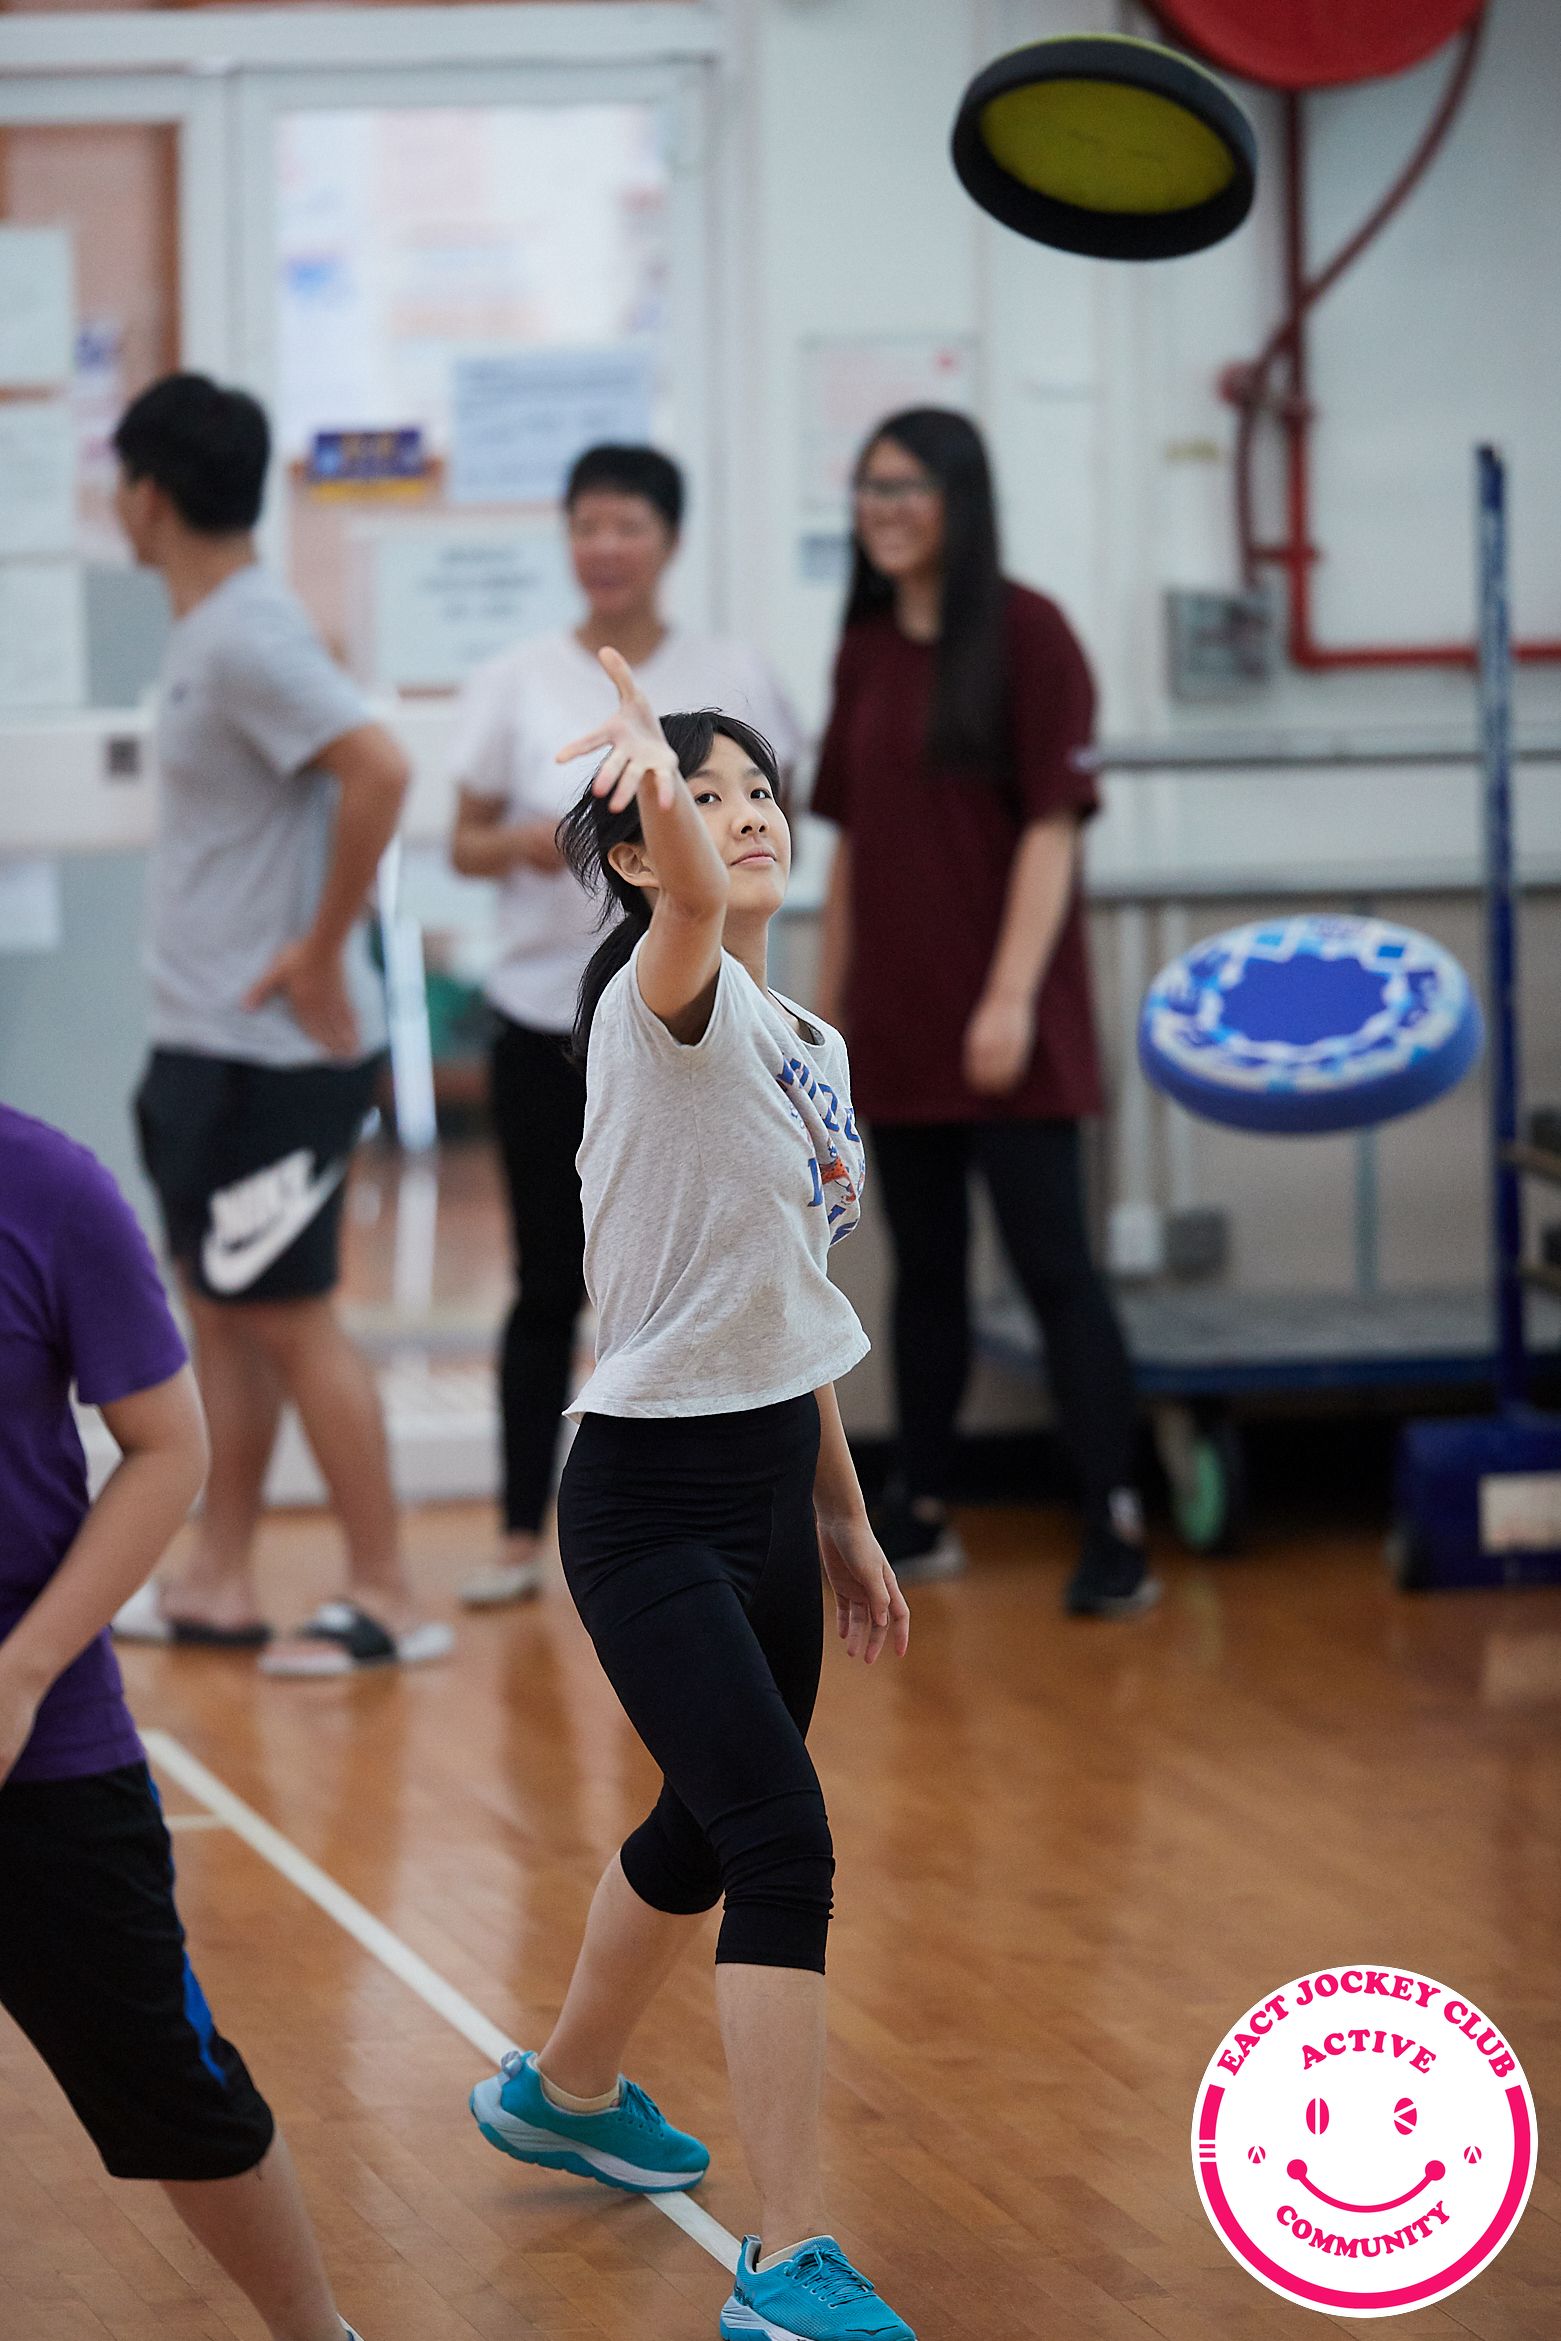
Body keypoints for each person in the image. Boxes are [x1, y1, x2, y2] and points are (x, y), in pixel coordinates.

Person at [465, 657, 916, 2341]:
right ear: (644, 855)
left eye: (759, 792)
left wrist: (841, 1515)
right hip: (646, 1501)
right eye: (705, 798)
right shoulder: (664, 1004)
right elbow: (688, 897)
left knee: (704, 1824)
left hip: (769, 1485)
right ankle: (789, 2262)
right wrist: (655, 781)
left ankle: (566, 2092)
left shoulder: (810, 1043)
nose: (748, 816)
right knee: (782, 1838)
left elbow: (790, 1296)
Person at [0, 1100, 364, 2341]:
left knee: (167, 2077)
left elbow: (167, 1447)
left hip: (41, 1742)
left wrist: (23, 1671)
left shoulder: (50, 1189)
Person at [106, 372, 450, 1676]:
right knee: (222, 1309)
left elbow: (381, 768)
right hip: (209, 1040)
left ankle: (387, 1592)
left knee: (290, 1315)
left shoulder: (249, 635)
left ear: (148, 495)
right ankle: (217, 1576)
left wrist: (319, 949)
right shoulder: (214, 633)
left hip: (275, 1054)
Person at [811, 408, 1157, 1619]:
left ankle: (1114, 1517)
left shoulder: (1030, 633)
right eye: (870, 488)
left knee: (1056, 1267)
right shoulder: (863, 649)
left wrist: (1008, 999)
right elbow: (850, 847)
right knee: (925, 1273)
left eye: (908, 486)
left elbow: (1054, 830)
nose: (886, 509)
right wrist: (822, 1022)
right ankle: (921, 1508)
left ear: (961, 499)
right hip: (898, 1020)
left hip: (1011, 1025)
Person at [448, 443, 801, 1609]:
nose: (604, 547)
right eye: (586, 525)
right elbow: (461, 840)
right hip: (547, 1018)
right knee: (547, 1275)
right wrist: (551, 839)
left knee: (708, 1270)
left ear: (670, 539)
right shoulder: (513, 677)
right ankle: (519, 1529)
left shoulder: (730, 671)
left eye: (628, 525)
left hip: (700, 1029)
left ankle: (713, 1522)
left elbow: (765, 834)